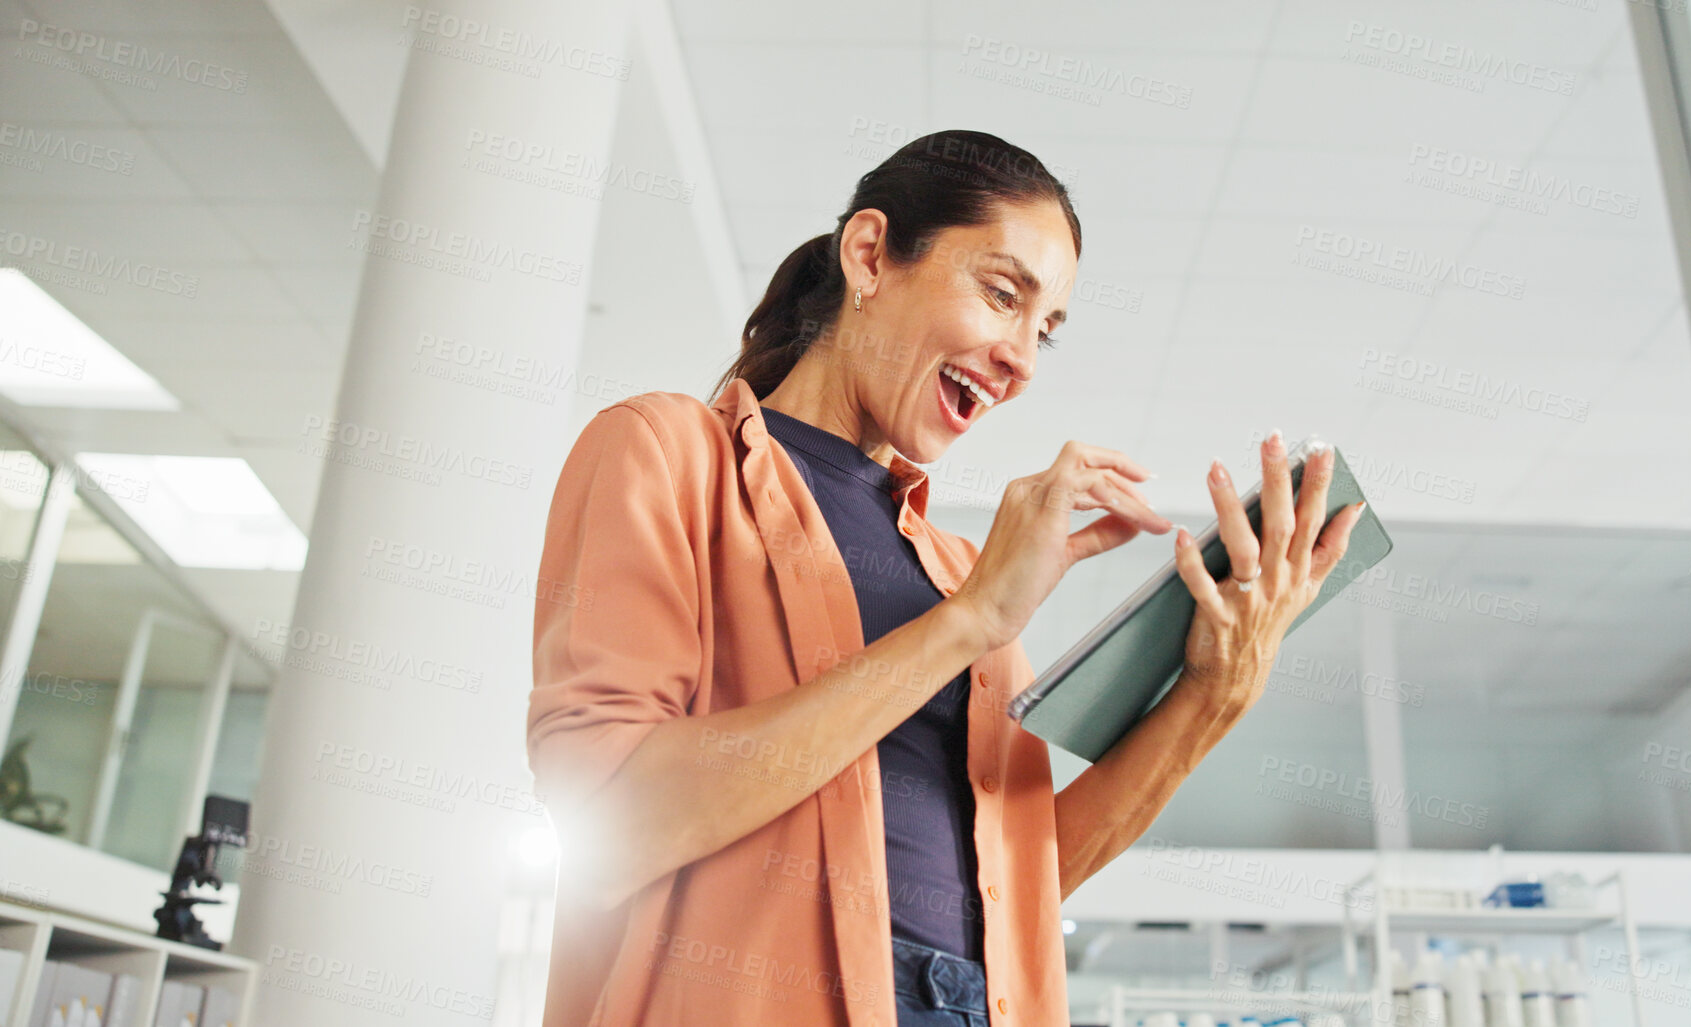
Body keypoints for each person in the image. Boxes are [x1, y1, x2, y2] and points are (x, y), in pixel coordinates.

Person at [527, 129, 1365, 1027]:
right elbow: (610, 816)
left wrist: (1215, 689)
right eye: (1003, 295)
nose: (1023, 360)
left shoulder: (958, 567)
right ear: (869, 255)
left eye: (1044, 330)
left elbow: (1019, 888)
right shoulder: (665, 453)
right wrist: (967, 624)